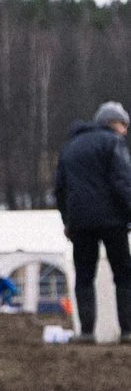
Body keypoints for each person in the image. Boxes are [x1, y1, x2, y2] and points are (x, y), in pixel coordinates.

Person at [54, 100, 131, 340]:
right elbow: (123, 183)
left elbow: (60, 189)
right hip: (112, 221)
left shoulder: (70, 147)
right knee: (124, 274)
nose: (125, 131)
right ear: (111, 123)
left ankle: (86, 332)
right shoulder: (113, 143)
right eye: (123, 125)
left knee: (84, 275)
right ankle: (128, 330)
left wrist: (68, 221)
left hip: (80, 223)